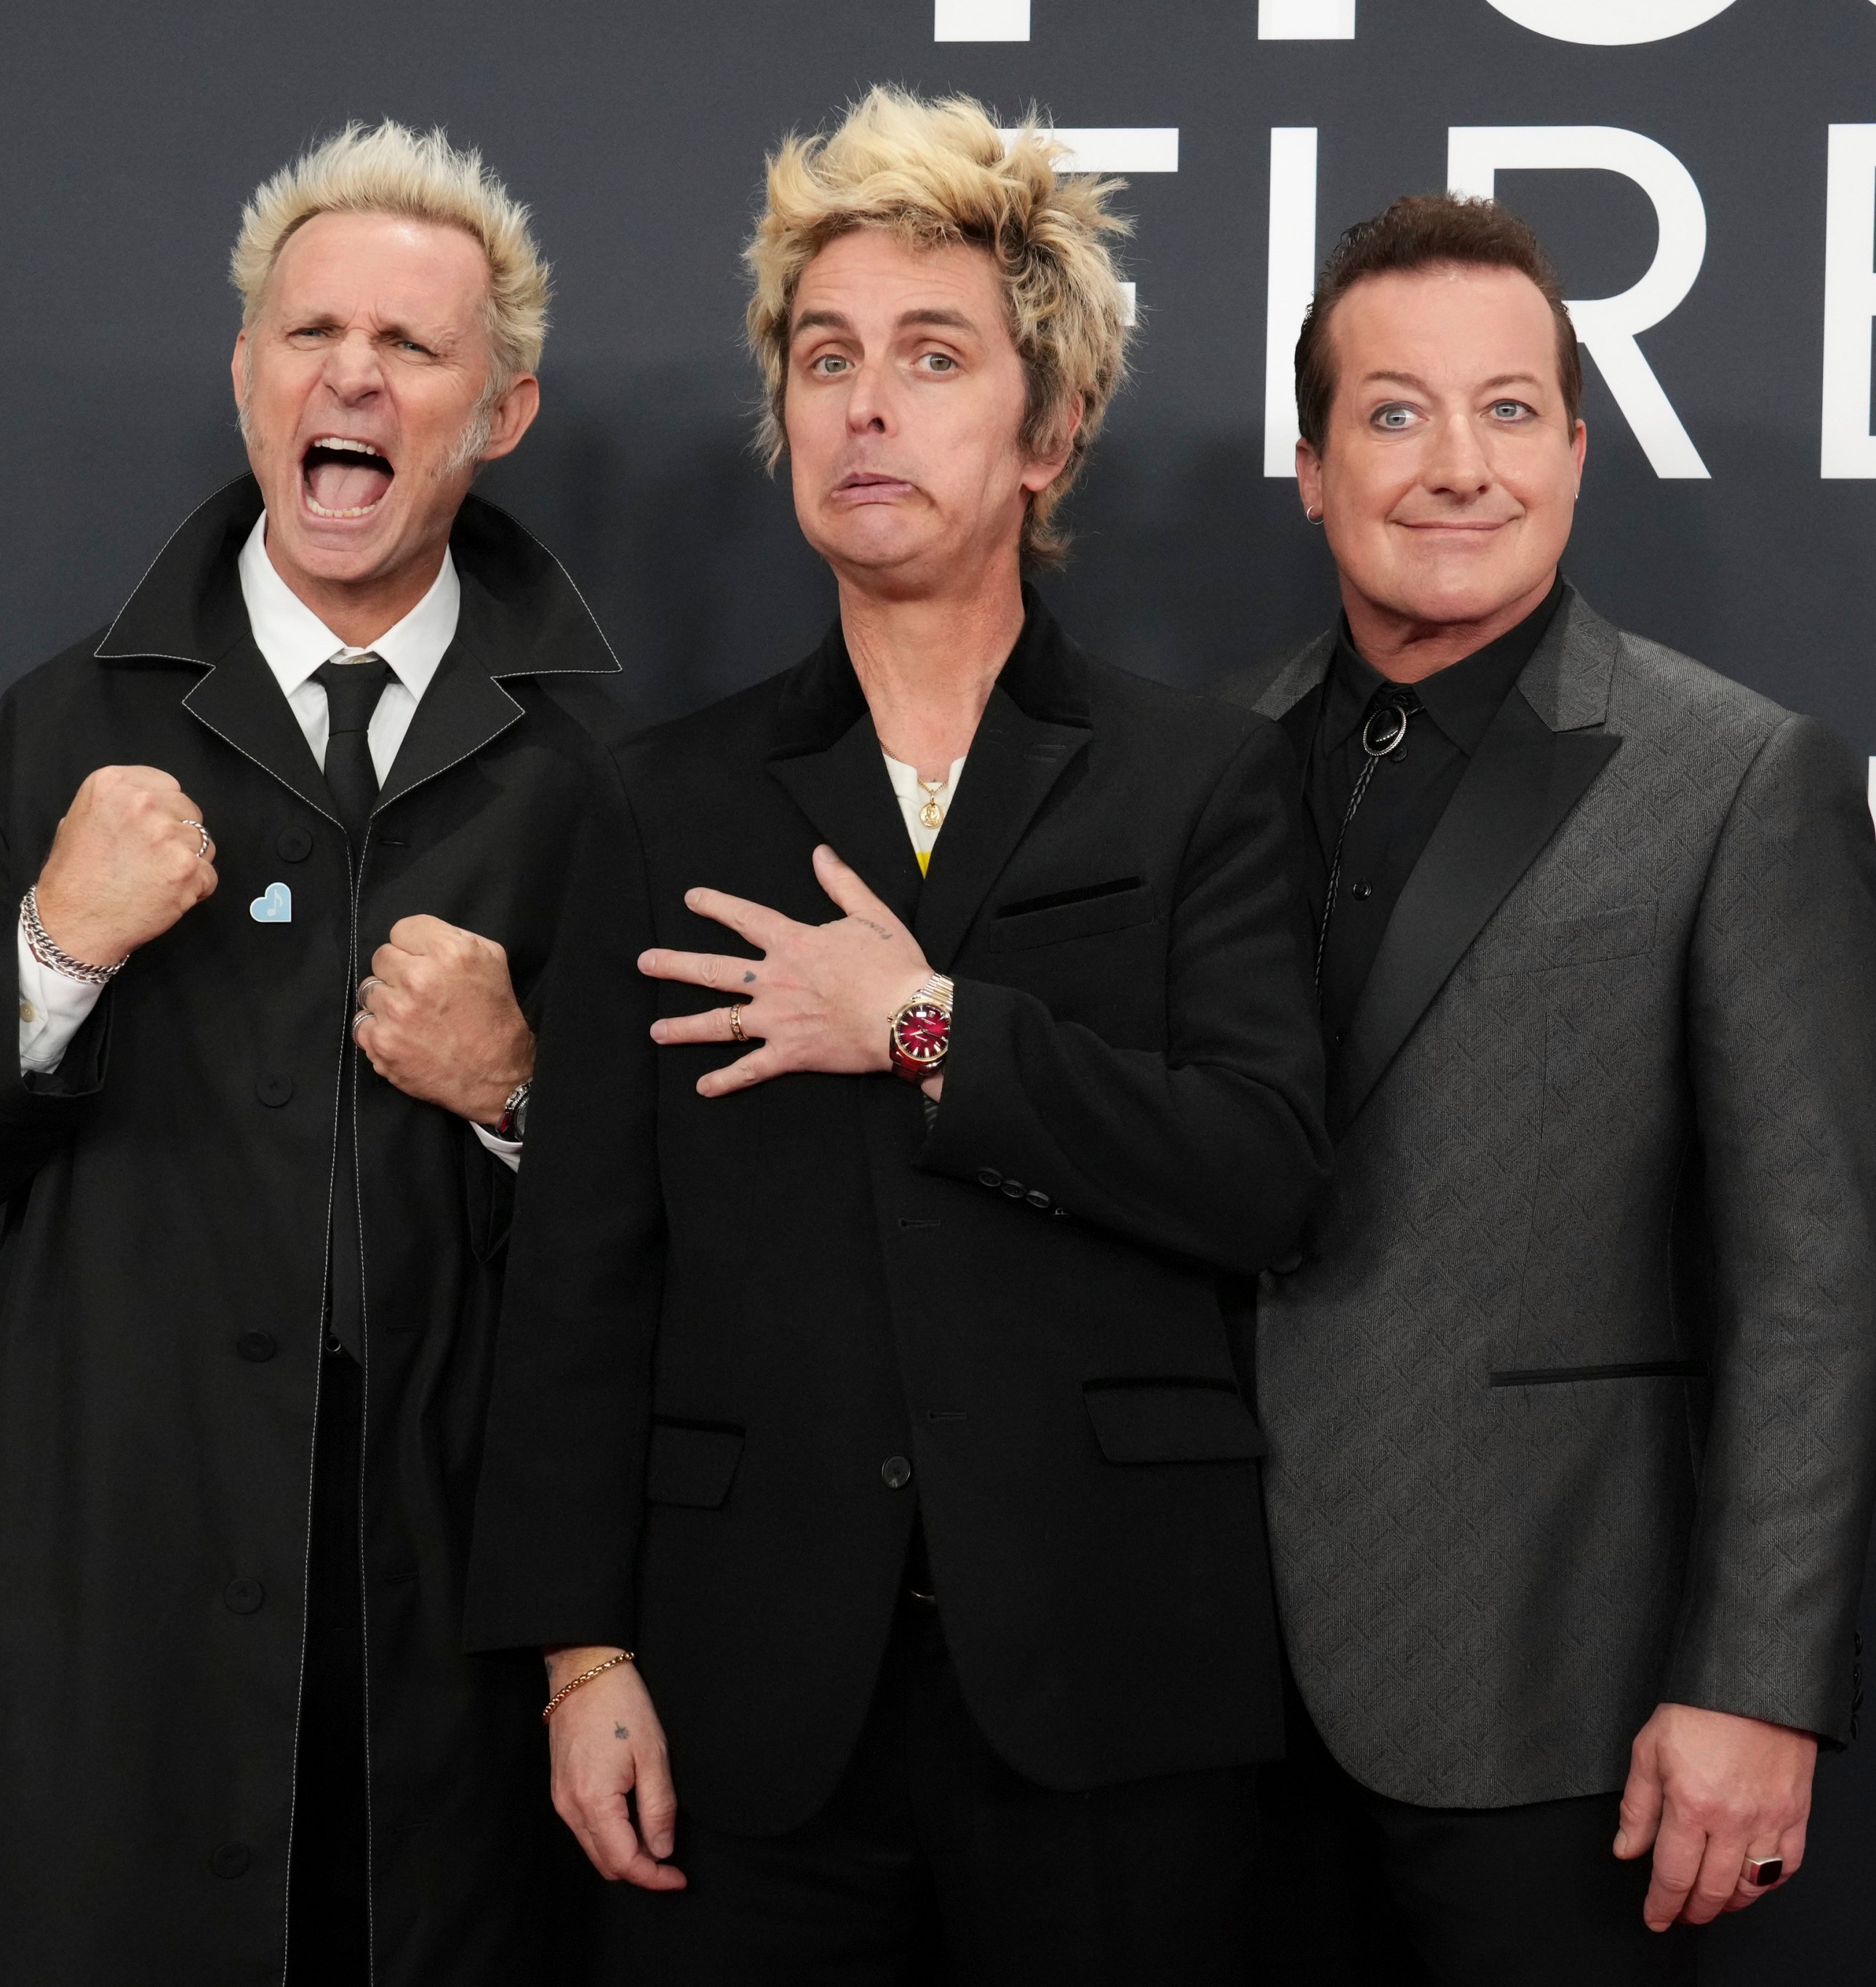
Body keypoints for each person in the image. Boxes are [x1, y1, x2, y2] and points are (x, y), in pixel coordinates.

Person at [463, 88, 1330, 1984]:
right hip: (743, 1700)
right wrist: (581, 1657)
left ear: (1055, 427)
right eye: (827, 357)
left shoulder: (1205, 782)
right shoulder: (658, 803)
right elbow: (584, 1267)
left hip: (1112, 1679)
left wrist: (932, 1028)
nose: (866, 404)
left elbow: (1262, 1168)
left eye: (934, 358)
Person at [0, 122, 625, 1986]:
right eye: (308, 334)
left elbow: (677, 1236)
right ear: (245, 380)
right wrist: (58, 946)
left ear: (499, 411)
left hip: (440, 1591)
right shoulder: (63, 723)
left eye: (409, 349)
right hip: (115, 1565)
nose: (349, 375)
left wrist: (523, 1093)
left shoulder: (603, 770)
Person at [1240, 192, 1876, 1984]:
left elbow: (1813, 1278)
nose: (1456, 464)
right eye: (1392, 413)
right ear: (1309, 465)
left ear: (1577, 451)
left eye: (1508, 409)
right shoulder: (1203, 763)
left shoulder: (1731, 772)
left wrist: (1755, 1684)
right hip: (1200, 1701)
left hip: (1554, 1700)